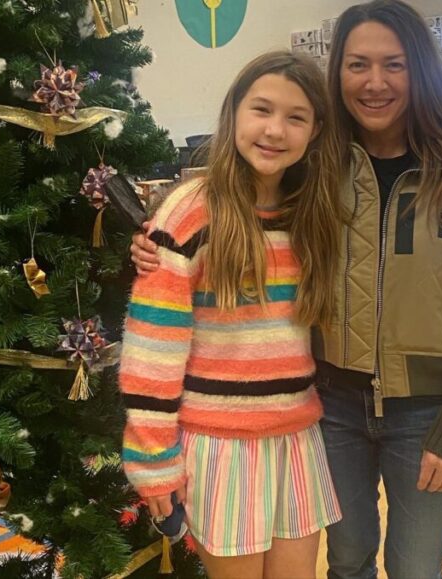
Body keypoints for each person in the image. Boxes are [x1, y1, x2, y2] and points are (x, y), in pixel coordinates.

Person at [130, 2, 442, 578]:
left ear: (421, 68)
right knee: (346, 560)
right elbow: (230, 196)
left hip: (423, 412)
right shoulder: (319, 161)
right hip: (328, 408)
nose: (375, 81)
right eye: (358, 64)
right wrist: (152, 244)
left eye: (394, 64)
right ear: (337, 72)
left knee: (415, 565)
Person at [119, 51, 343, 579]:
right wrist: (154, 463)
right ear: (233, 114)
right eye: (261, 109)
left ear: (315, 131)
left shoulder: (314, 210)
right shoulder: (191, 210)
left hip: (295, 437)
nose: (275, 130)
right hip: (220, 446)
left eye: (296, 117)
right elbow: (153, 349)